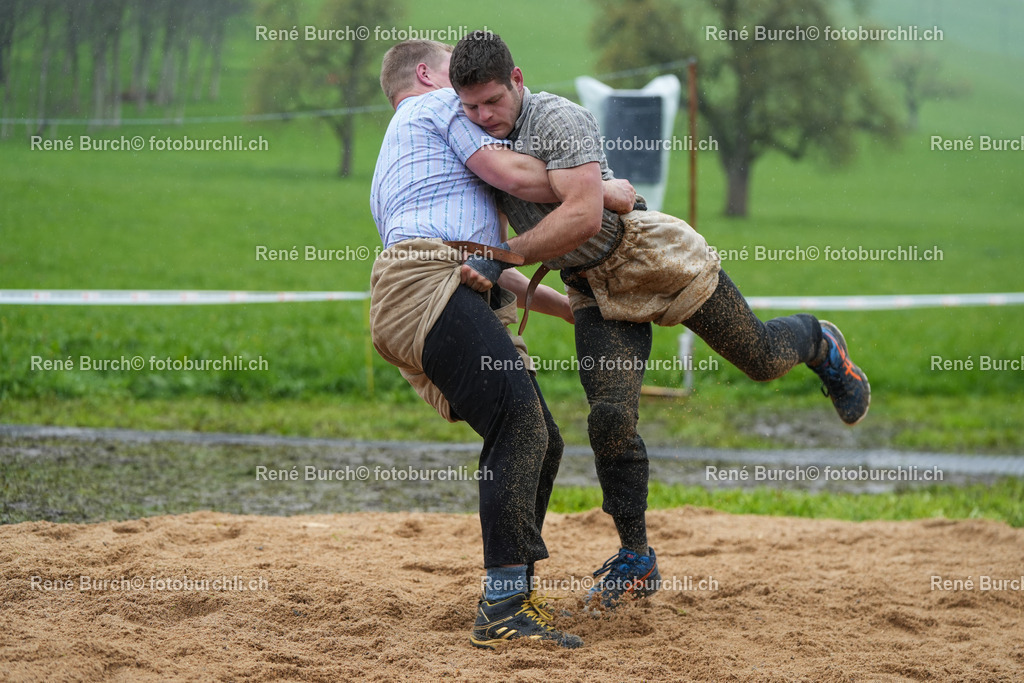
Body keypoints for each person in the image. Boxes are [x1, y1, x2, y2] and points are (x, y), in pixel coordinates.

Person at [448, 30, 871, 609]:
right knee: (609, 417)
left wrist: (506, 258)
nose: (483, 115)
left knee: (763, 359)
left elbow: (581, 216)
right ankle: (637, 554)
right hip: (593, 292)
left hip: (649, 257)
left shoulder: (558, 119)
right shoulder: (472, 137)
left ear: (517, 79)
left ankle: (820, 343)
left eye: (492, 100)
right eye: (470, 106)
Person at [369, 39, 634, 649]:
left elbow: (485, 265)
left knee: (540, 434)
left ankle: (515, 594)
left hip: (427, 285)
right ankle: (503, 607)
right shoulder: (434, 108)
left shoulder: (411, 159)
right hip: (426, 284)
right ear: (429, 75)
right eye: (465, 94)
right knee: (519, 424)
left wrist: (572, 311)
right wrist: (599, 189)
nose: (476, 110)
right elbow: (510, 173)